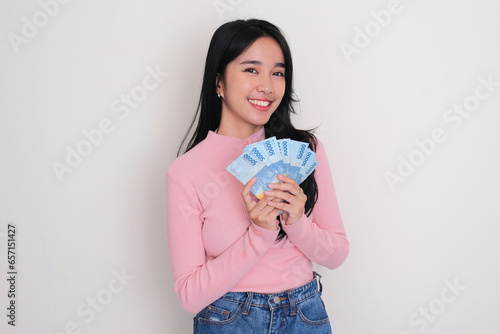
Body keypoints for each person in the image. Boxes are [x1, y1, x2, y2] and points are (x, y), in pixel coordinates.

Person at [166, 19, 349, 333]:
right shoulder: (186, 172)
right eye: (251, 69)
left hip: (305, 314)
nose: (267, 86)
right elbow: (189, 295)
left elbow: (336, 254)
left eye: (277, 72)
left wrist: (297, 223)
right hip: (229, 319)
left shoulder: (306, 150)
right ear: (218, 83)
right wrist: (260, 234)